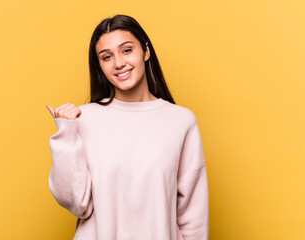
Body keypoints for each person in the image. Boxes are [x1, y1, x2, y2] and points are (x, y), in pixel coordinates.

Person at [46, 14, 209, 240]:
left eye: (126, 50)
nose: (119, 63)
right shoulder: (82, 119)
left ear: (146, 51)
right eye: (106, 57)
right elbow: (76, 202)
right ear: (100, 66)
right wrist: (66, 133)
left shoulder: (181, 121)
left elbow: (193, 214)